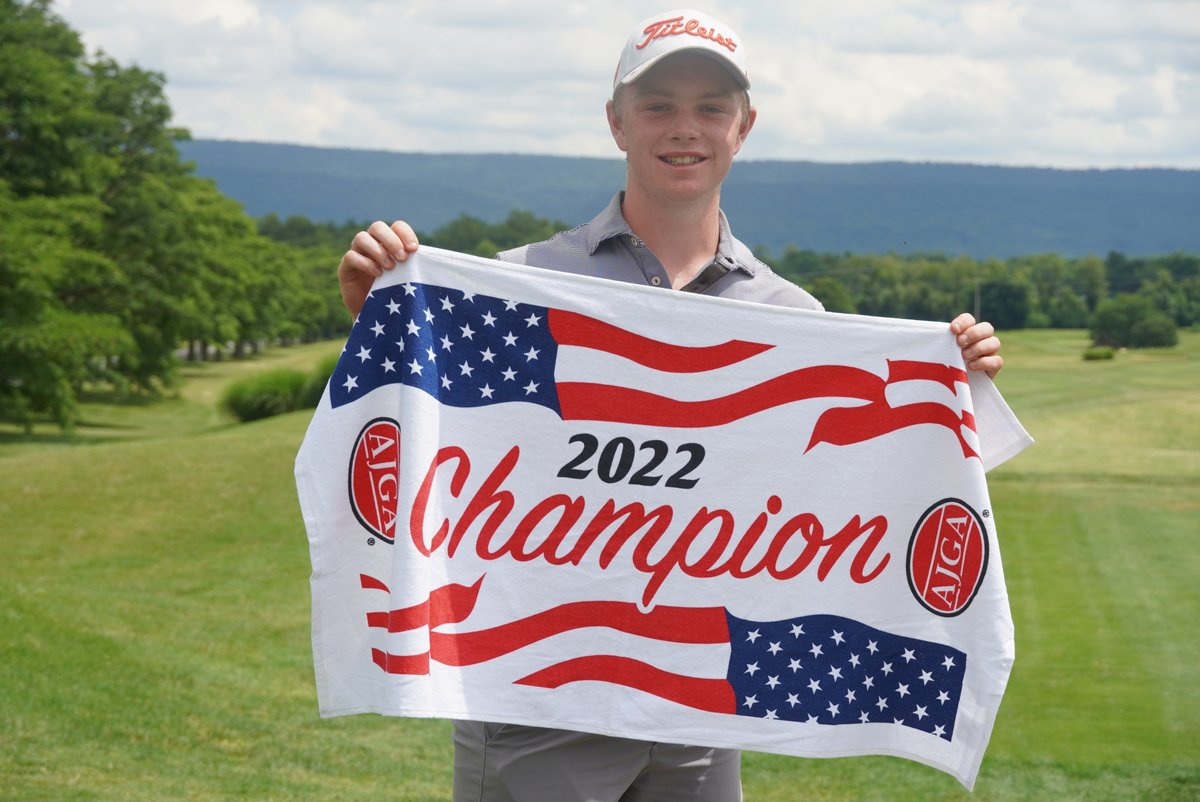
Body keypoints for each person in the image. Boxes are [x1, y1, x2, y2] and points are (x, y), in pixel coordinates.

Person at [335, 9, 1004, 801]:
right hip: (535, 705)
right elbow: (429, 434)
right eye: (657, 105)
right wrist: (376, 322)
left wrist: (949, 388)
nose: (684, 128)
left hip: (703, 707)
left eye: (710, 107)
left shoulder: (794, 319)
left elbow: (872, 490)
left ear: (743, 126)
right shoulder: (522, 281)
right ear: (616, 121)